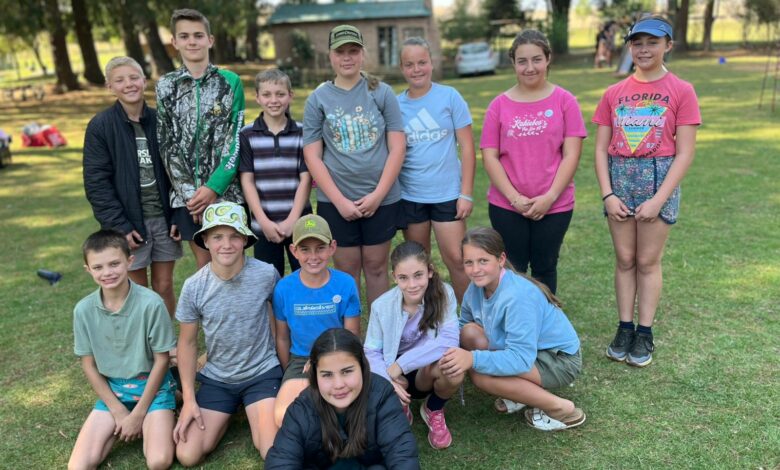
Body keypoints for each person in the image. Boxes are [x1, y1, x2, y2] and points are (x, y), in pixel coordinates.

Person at [593, 16, 700, 367]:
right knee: (625, 259)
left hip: (658, 182)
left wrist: (658, 199)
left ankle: (644, 332)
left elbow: (685, 153)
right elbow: (600, 149)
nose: (643, 49)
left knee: (647, 261)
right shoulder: (613, 93)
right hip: (620, 182)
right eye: (637, 42)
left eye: (652, 42)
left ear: (668, 45)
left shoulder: (681, 90)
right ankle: (625, 327)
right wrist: (608, 195)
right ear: (629, 47)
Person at [440, 227, 585, 432]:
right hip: (526, 351)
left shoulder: (518, 297)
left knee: (482, 375)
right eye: (468, 262)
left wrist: (472, 359)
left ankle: (560, 408)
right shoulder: (475, 287)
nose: (475, 269)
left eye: (483, 261)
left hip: (558, 360)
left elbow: (521, 359)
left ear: (500, 259)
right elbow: (463, 325)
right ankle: (519, 393)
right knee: (469, 333)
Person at [302, 24, 405, 306]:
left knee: (376, 265)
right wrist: (339, 201)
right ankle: (350, 331)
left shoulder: (381, 92)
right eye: (340, 52)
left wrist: (378, 195)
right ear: (330, 56)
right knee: (346, 270)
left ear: (362, 54)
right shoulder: (318, 99)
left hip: (381, 197)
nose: (347, 57)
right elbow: (312, 156)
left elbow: (397, 147)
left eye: (353, 51)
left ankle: (379, 330)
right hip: (336, 200)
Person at [480, 29, 587, 295]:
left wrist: (550, 197)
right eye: (522, 61)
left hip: (554, 203)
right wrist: (514, 198)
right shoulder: (498, 105)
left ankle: (544, 316)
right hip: (507, 204)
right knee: (512, 268)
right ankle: (515, 317)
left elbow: (571, 154)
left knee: (545, 266)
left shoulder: (565, 101)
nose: (530, 67)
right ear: (513, 63)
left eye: (537, 59)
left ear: (548, 59)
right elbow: (490, 156)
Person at [173, 202, 281, 464]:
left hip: (262, 372)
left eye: (234, 236)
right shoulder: (194, 286)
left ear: (245, 239)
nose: (226, 244)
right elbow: (187, 344)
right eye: (217, 237)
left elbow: (280, 320)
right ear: (205, 241)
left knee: (270, 449)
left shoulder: (266, 274)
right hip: (218, 377)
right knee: (187, 455)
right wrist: (189, 400)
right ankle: (225, 412)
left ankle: (249, 410)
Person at [83, 56, 182, 318]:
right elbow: (96, 183)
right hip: (130, 223)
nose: (128, 84)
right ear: (110, 87)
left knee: (164, 285)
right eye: (120, 80)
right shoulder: (101, 126)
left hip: (162, 219)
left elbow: (177, 172)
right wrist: (120, 227)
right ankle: (141, 339)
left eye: (133, 77)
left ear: (144, 80)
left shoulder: (161, 121)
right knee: (136, 289)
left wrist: (177, 215)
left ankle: (164, 338)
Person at [69, 230, 177, 470]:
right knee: (79, 466)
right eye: (98, 267)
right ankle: (125, 421)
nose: (107, 272)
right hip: (114, 391)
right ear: (88, 270)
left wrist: (138, 414)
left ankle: (170, 400)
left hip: (154, 389)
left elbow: (162, 360)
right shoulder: (83, 310)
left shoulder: (152, 304)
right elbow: (88, 364)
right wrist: (118, 411)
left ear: (130, 261)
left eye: (114, 264)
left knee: (158, 461)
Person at [157, 8, 245, 269]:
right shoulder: (166, 85)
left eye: (198, 35)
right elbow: (167, 145)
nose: (192, 42)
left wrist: (213, 188)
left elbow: (235, 139)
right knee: (206, 268)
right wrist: (191, 196)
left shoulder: (230, 81)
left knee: (233, 264)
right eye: (184, 36)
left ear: (210, 40)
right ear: (175, 42)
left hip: (227, 193)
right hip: (188, 200)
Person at [266, 328, 420, 469]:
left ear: (362, 367)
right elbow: (281, 461)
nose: (338, 385)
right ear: (315, 375)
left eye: (347, 371)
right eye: (327, 375)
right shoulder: (302, 408)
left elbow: (402, 455)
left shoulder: (382, 396)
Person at [396, 37, 475, 302]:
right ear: (402, 68)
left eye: (422, 62)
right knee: (418, 263)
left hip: (447, 195)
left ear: (432, 62)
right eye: (409, 64)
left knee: (457, 259)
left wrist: (466, 194)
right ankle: (425, 317)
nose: (416, 69)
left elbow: (467, 148)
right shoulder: (395, 105)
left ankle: (468, 317)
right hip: (411, 195)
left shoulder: (449, 97)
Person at [364, 241, 462, 449]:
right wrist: (389, 380)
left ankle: (433, 408)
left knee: (454, 367)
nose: (412, 284)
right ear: (394, 277)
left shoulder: (444, 293)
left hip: (426, 369)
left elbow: (449, 340)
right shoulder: (381, 306)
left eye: (418, 275)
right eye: (403, 278)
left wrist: (401, 365)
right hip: (394, 373)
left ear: (430, 271)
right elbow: (371, 351)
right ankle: (400, 405)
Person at [272, 214, 361, 427]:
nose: (313, 256)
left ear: (332, 247)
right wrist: (288, 372)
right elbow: (282, 338)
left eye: (320, 248)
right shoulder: (284, 288)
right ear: (294, 251)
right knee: (283, 416)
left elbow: (351, 335)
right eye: (305, 249)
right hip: (300, 359)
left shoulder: (345, 283)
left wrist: (325, 361)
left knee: (344, 409)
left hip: (339, 354)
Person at [239, 68, 312, 277]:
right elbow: (247, 181)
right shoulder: (247, 134)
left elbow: (306, 179)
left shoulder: (302, 133)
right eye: (267, 94)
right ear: (257, 97)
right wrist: (263, 221)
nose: (274, 100)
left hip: (300, 222)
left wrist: (292, 220)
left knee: (307, 275)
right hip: (264, 225)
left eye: (280, 94)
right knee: (268, 281)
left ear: (290, 96)